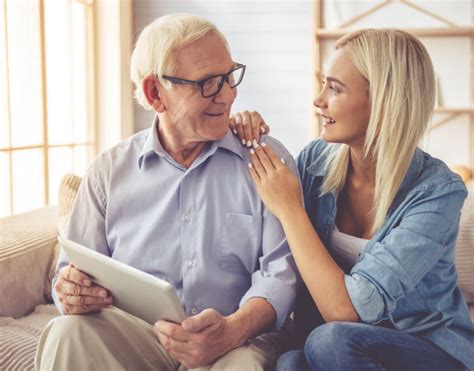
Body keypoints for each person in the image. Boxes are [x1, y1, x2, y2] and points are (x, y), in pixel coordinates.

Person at [34, 14, 300, 371]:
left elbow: (281, 276)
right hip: (139, 336)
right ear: (155, 93)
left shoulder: (265, 159)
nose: (229, 94)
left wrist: (231, 330)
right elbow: (71, 271)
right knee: (68, 332)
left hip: (236, 341)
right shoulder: (108, 173)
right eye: (208, 83)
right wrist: (69, 290)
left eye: (229, 76)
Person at [231, 29, 473, 370]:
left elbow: (346, 312)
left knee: (330, 339)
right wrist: (243, 133)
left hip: (429, 349)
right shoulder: (315, 162)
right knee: (290, 364)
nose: (318, 100)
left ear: (383, 101)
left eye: (334, 88)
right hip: (343, 353)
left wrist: (290, 209)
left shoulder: (437, 192)